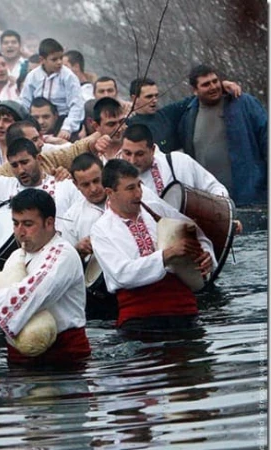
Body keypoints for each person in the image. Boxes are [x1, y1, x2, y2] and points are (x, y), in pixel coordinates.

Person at [0, 189, 90, 366]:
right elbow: (4, 297)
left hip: (63, 356)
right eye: (15, 223)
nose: (20, 231)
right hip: (19, 354)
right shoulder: (16, 256)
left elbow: (37, 289)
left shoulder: (64, 254)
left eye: (27, 224)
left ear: (49, 223)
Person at [90, 159, 215, 333]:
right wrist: (166, 255)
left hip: (184, 310)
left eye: (139, 185)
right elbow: (122, 274)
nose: (138, 194)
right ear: (110, 192)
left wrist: (206, 256)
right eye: (130, 189)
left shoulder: (157, 209)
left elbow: (197, 236)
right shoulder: (101, 229)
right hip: (140, 320)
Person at [177, 64, 267, 206]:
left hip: (251, 197)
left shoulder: (243, 103)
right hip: (213, 205)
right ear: (195, 90)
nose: (213, 87)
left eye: (215, 81)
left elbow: (266, 138)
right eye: (206, 84)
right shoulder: (188, 117)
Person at [0, 137, 83, 219]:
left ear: (38, 159)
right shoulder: (4, 186)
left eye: (25, 163)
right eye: (14, 165)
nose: (21, 170)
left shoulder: (63, 186)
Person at [119, 124, 229, 199]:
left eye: (139, 154)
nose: (132, 161)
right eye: (127, 153)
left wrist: (221, 214)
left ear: (152, 150)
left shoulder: (179, 162)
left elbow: (215, 188)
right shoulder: (116, 178)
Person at [19, 38, 84, 141]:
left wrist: (67, 128)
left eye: (61, 58)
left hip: (62, 122)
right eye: (54, 59)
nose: (59, 62)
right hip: (37, 120)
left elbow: (77, 105)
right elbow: (25, 102)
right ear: (42, 60)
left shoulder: (68, 77)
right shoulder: (32, 76)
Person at [0, 120, 97, 178]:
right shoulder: (0, 176)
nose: (41, 144)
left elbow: (76, 150)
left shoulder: (46, 158)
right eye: (35, 140)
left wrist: (98, 139)